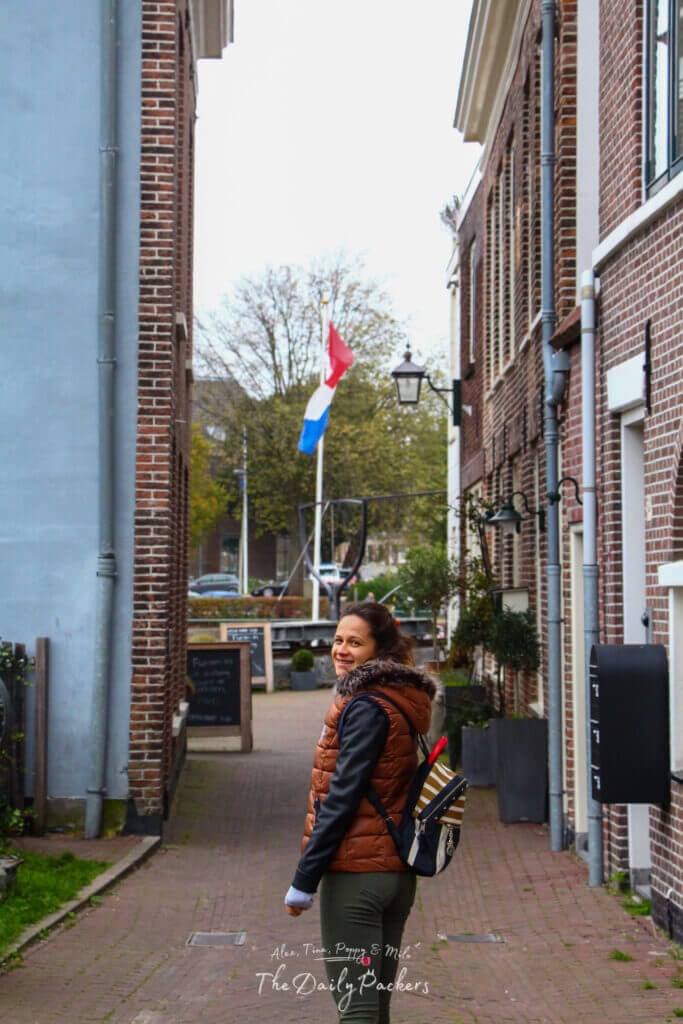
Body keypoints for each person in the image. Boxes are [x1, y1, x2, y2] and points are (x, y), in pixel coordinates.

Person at [284, 600, 438, 1023]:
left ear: (379, 651)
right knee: (374, 1010)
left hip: (357, 878)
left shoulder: (366, 706)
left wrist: (304, 880)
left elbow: (341, 798)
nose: (341, 650)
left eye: (355, 642)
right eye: (337, 640)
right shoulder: (402, 699)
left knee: (358, 1012)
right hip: (396, 875)